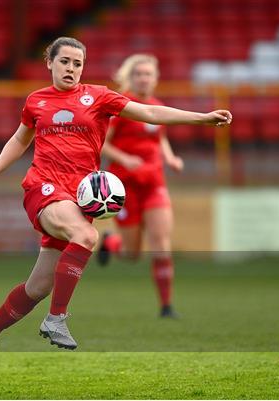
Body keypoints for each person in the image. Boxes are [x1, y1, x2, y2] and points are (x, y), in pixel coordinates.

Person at [0, 37, 232, 376]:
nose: (71, 69)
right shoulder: (36, 101)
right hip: (43, 187)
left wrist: (203, 118)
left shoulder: (99, 96)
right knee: (85, 234)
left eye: (78, 64)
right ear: (49, 62)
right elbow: (20, 139)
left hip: (77, 197)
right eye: (65, 62)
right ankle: (57, 318)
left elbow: (149, 112)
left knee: (38, 287)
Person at [98, 54, 183, 318]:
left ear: (155, 78)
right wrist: (125, 159)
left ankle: (166, 306)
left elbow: (160, 139)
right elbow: (100, 142)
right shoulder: (121, 106)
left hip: (154, 182)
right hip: (124, 187)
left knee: (161, 245)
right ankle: (110, 243)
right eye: (139, 74)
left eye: (148, 74)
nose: (144, 78)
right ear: (130, 77)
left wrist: (170, 158)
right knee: (131, 254)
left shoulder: (157, 106)